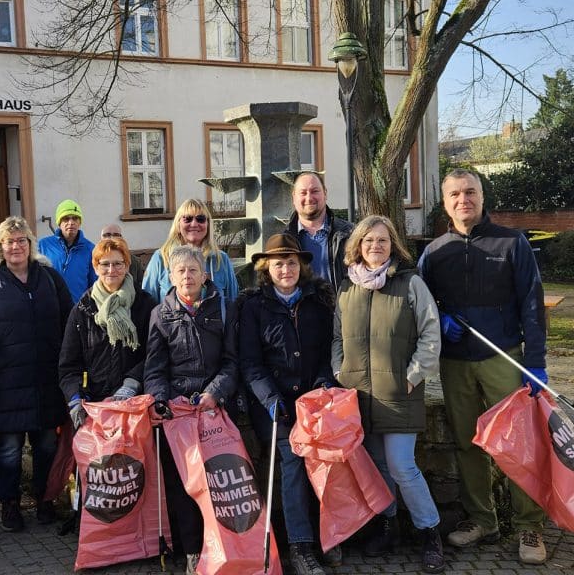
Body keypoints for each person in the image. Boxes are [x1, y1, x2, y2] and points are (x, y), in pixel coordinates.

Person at [417, 168, 550, 565]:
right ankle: (482, 519)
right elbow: (422, 303)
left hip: (503, 358)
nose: (463, 200)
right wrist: (439, 320)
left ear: (482, 196)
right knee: (468, 443)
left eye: (470, 192)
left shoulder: (512, 243)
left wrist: (535, 363)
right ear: (445, 202)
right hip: (456, 363)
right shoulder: (434, 251)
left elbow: (532, 303)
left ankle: (529, 524)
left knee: (516, 444)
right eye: (455, 194)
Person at [332, 215, 445, 573]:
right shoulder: (347, 289)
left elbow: (431, 333)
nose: (375, 247)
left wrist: (412, 376)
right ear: (358, 247)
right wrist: (340, 371)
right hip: (359, 393)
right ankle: (387, 525)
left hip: (398, 391)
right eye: (368, 241)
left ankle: (430, 531)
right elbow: (338, 338)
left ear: (392, 245)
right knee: (378, 466)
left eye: (382, 240)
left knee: (401, 465)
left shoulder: (410, 284)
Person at [0, 217, 73, 533]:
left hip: (47, 381)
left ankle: (45, 499)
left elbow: (71, 322)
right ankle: (10, 504)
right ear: (0, 247)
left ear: (30, 244)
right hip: (5, 385)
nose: (16, 246)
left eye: (21, 240)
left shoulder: (50, 279)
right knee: (8, 450)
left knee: (46, 447)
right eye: (9, 241)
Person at [237, 234, 337, 575]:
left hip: (314, 399)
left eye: (291, 262)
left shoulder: (318, 301)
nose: (285, 269)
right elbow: (250, 362)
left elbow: (329, 352)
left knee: (330, 458)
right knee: (292, 460)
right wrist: (269, 399)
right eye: (278, 263)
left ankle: (332, 535)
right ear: (267, 267)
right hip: (275, 405)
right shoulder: (253, 306)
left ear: (301, 266)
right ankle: (301, 546)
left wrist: (324, 383)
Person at [143, 245, 238, 574]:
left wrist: (215, 392)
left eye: (193, 270)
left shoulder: (223, 309)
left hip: (215, 407)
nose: (187, 276)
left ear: (205, 275)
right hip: (177, 412)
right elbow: (154, 370)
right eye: (180, 271)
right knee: (182, 484)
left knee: (218, 481)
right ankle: (191, 549)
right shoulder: (160, 314)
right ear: (171, 276)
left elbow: (232, 362)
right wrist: (161, 399)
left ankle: (224, 545)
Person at [58, 237, 157, 429]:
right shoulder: (83, 310)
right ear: (95, 268)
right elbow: (69, 365)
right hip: (96, 406)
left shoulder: (145, 304)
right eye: (105, 264)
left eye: (118, 263)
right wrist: (75, 397)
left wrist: (132, 383)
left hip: (136, 403)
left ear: (127, 266)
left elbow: (155, 354)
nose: (111, 270)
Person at [142, 199, 239, 303]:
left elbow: (233, 301)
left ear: (208, 224)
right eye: (187, 219)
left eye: (200, 219)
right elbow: (147, 303)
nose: (194, 224)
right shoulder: (161, 258)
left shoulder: (221, 260)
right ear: (178, 224)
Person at [283, 171, 354, 289]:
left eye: (315, 191)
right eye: (303, 193)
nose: (309, 198)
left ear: (325, 194)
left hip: (341, 307)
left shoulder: (350, 235)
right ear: (294, 198)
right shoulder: (284, 241)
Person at [38, 199, 98, 302]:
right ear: (59, 222)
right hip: (51, 307)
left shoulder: (90, 249)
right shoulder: (44, 245)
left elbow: (95, 284)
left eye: (75, 218)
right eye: (66, 219)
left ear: (80, 222)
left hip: (78, 309)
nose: (71, 223)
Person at [98, 223, 145, 288]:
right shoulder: (93, 260)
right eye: (107, 235)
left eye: (116, 235)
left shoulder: (134, 261)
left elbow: (141, 286)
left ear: (122, 238)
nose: (111, 238)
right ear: (100, 239)